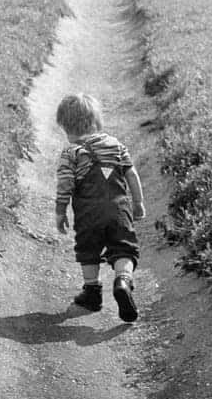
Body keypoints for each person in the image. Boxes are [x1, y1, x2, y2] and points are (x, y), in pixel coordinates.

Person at [55, 93, 146, 323]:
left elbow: (65, 184)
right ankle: (123, 280)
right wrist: (138, 202)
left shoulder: (71, 153)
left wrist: (61, 210)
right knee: (124, 249)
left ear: (67, 127)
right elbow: (131, 173)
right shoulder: (115, 145)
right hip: (119, 210)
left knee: (88, 249)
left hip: (88, 214)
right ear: (96, 121)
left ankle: (92, 293)